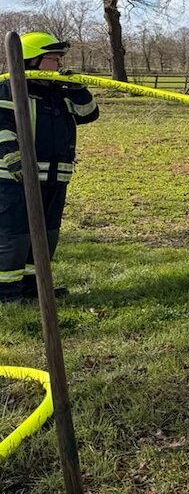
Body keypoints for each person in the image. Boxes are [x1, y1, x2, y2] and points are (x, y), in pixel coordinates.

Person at [0, 32, 99, 302]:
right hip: (16, 181)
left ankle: (35, 288)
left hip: (55, 177)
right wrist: (14, 158)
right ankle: (6, 292)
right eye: (53, 59)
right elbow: (2, 126)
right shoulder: (9, 89)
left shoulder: (59, 91)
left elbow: (89, 113)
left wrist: (77, 88)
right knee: (15, 236)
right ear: (32, 60)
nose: (59, 64)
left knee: (46, 236)